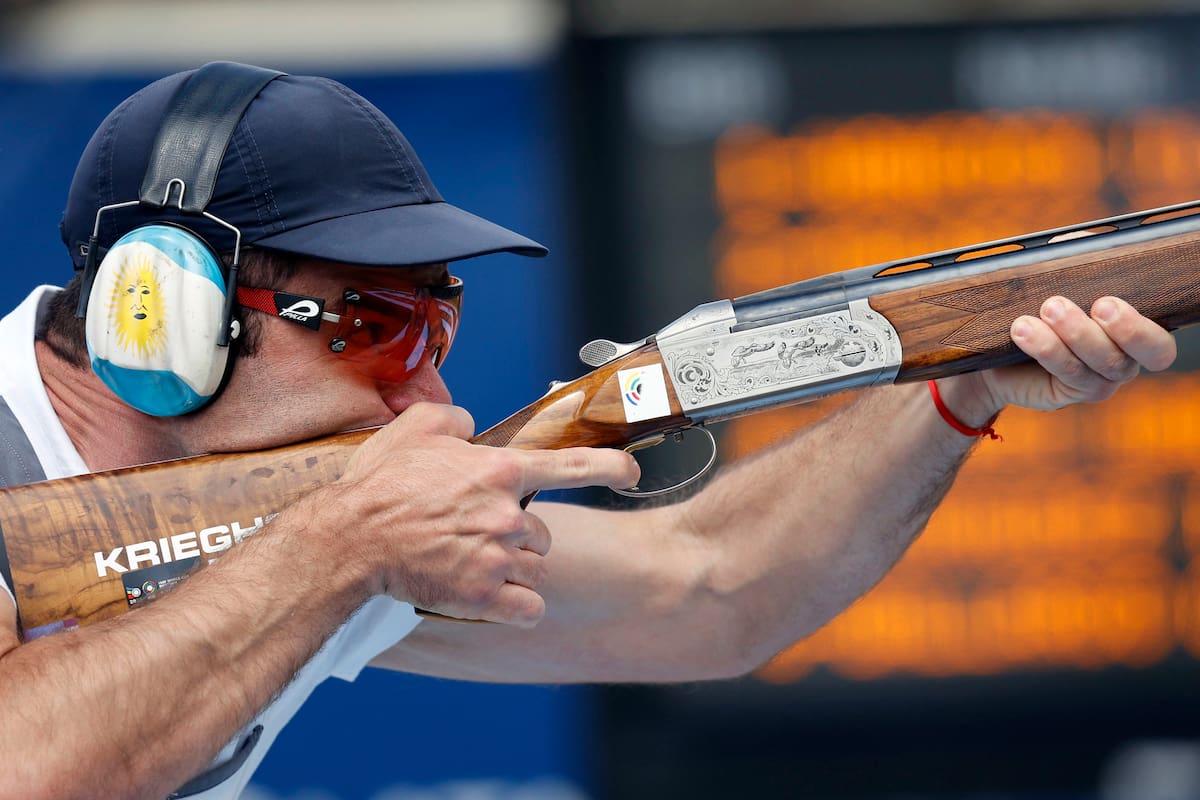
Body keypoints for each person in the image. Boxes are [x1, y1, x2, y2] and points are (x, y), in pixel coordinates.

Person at [0, 62, 1177, 800]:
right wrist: (333, 547)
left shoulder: (300, 505)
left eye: (434, 326)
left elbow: (713, 593)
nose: (426, 400)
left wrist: (949, 386)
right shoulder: (327, 527)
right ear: (158, 315)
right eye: (371, 324)